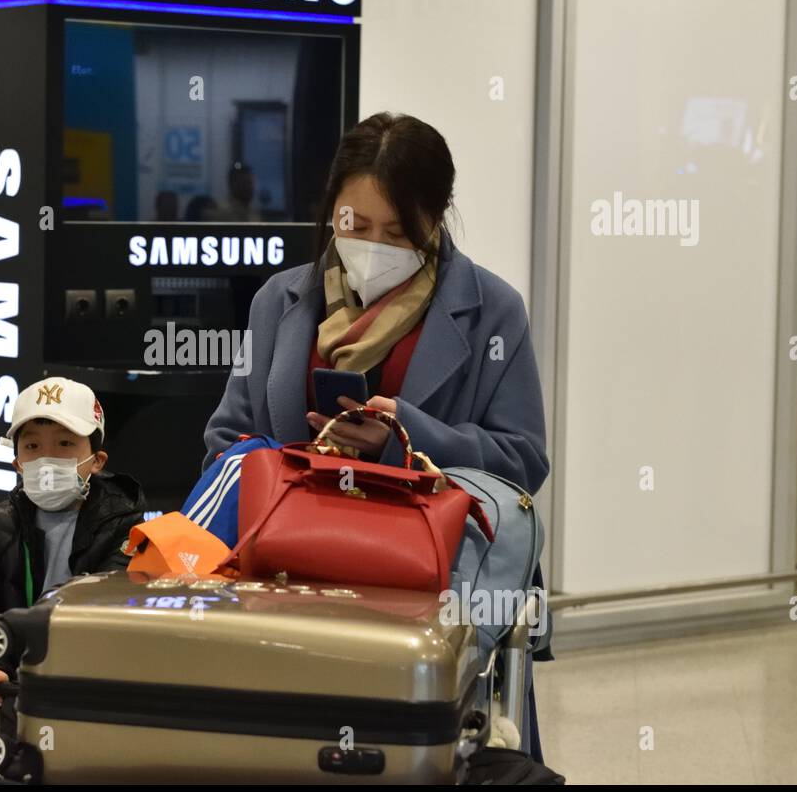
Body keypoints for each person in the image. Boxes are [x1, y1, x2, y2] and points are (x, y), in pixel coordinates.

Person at [200, 111, 551, 759]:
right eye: (355, 226)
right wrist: (295, 462)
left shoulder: (491, 311)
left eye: (399, 232)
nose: (373, 246)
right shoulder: (280, 301)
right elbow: (230, 436)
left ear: (436, 219)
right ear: (330, 208)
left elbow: (523, 460)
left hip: (421, 592)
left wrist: (402, 437)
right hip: (287, 584)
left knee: (406, 757)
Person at [0, 376, 146, 730]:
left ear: (97, 460)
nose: (47, 459)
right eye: (32, 447)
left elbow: (116, 610)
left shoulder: (123, 524)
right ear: (17, 464)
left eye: (64, 444)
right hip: (16, 686)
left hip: (94, 688)